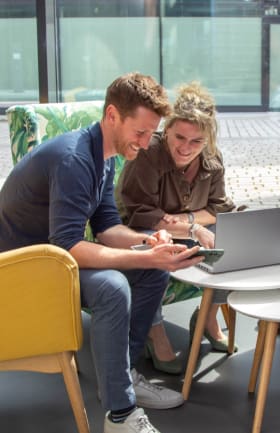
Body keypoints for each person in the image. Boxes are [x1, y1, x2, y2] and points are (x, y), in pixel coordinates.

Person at [0, 72, 205, 433]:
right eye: (140, 132)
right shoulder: (74, 160)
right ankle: (121, 415)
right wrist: (145, 256)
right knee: (112, 287)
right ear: (112, 115)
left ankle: (122, 377)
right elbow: (67, 246)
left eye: (151, 133)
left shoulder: (104, 157)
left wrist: (149, 244)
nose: (145, 144)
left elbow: (108, 227)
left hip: (50, 259)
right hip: (19, 268)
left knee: (152, 268)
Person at [115, 81, 238, 374]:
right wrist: (190, 226)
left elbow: (218, 209)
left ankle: (207, 317)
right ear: (167, 129)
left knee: (234, 243)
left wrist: (185, 221)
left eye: (196, 141)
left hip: (183, 229)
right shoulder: (148, 154)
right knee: (157, 250)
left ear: (207, 139)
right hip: (139, 232)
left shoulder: (212, 158)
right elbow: (140, 214)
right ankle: (154, 332)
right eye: (179, 137)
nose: (185, 148)